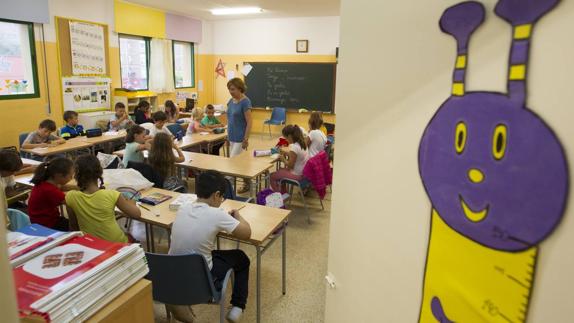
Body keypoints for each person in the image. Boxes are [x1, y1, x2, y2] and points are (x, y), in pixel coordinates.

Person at [169, 170, 251, 323]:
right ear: (216, 195)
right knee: (242, 258)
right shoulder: (217, 214)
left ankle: (179, 300)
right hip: (202, 279)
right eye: (222, 197)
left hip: (174, 274)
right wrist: (239, 216)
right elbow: (246, 234)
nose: (221, 201)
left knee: (206, 251)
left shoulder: (183, 208)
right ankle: (237, 306)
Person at [66, 154, 141, 242]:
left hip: (92, 244)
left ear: (76, 175)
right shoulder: (112, 194)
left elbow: (73, 227)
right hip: (116, 244)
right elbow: (136, 214)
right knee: (130, 236)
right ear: (100, 172)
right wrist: (132, 201)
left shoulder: (71, 197)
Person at [28, 158, 74, 231]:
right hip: (47, 226)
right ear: (59, 176)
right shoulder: (50, 190)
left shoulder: (45, 182)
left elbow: (61, 187)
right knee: (78, 225)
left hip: (39, 222)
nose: (71, 178)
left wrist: (78, 187)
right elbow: (71, 202)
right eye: (70, 176)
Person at [270, 125, 309, 192]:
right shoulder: (302, 143)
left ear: (290, 136)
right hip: (303, 173)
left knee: (272, 176)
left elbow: (290, 165)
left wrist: (283, 159)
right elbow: (298, 156)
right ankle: (283, 192)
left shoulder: (294, 147)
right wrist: (287, 153)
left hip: (297, 175)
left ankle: (279, 197)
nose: (286, 140)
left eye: (286, 138)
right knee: (280, 171)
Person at [226, 78, 252, 157]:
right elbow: (229, 119)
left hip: (240, 137)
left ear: (240, 89)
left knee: (233, 160)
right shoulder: (230, 101)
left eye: (233, 89)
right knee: (236, 164)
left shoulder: (245, 102)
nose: (230, 92)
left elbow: (249, 122)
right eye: (229, 89)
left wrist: (246, 139)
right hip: (231, 135)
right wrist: (227, 136)